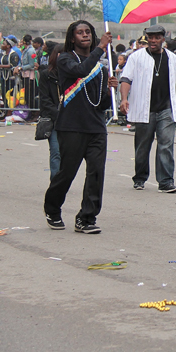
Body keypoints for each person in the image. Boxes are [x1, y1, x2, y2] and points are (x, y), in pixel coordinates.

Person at [43, 20, 118, 234]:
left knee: (96, 173)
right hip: (72, 126)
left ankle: (86, 218)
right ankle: (52, 208)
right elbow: (81, 71)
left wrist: (110, 92)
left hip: (96, 128)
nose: (84, 35)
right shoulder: (65, 59)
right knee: (67, 172)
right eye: (80, 32)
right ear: (72, 37)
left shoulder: (102, 70)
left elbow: (100, 104)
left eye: (88, 32)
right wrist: (100, 48)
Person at [119, 24, 176, 193]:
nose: (153, 41)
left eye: (157, 37)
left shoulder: (173, 58)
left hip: (166, 109)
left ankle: (166, 181)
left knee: (166, 145)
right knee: (142, 146)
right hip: (144, 108)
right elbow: (126, 79)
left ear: (163, 38)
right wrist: (124, 99)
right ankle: (140, 177)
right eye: (150, 37)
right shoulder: (136, 57)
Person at [38, 44, 63, 179]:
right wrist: (57, 114)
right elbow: (44, 99)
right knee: (56, 151)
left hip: (70, 120)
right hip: (54, 119)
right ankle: (55, 182)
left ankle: (63, 180)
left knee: (67, 154)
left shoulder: (72, 75)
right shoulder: (46, 75)